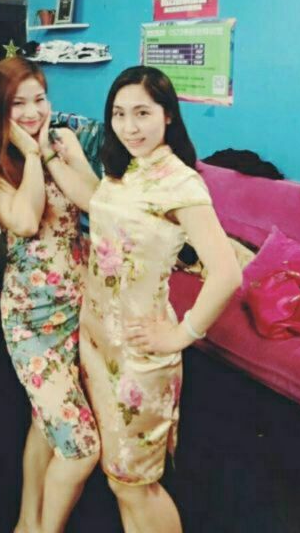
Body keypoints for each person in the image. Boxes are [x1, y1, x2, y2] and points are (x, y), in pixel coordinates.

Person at [79, 66, 242, 533]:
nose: (129, 127)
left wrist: (180, 335)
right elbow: (97, 207)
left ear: (168, 115)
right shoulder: (125, 170)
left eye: (143, 113)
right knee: (119, 478)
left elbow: (226, 272)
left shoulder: (181, 182)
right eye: (119, 114)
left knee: (136, 483)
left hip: (140, 354)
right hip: (98, 343)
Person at [0, 57, 100, 533]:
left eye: (39, 100)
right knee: (81, 447)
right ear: (1, 109)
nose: (33, 112)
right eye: (19, 104)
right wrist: (31, 155)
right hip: (30, 320)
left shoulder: (64, 143)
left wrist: (51, 151)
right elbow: (26, 221)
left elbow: (96, 201)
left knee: (43, 422)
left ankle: (27, 522)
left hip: (78, 308)